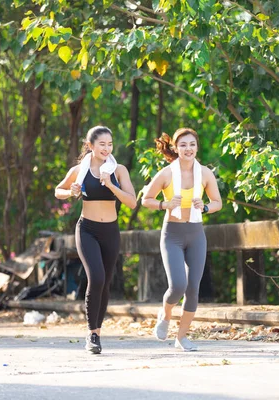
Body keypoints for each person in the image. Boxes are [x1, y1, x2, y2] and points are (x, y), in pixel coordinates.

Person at [55, 126, 137, 354]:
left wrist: (111, 185)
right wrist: (70, 192)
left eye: (110, 144)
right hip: (87, 229)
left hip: (110, 231)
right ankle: (92, 334)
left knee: (106, 281)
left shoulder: (118, 170)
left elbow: (132, 202)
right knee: (97, 277)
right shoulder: (80, 169)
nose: (107, 148)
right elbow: (57, 191)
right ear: (91, 145)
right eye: (102, 144)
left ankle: (97, 332)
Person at [142, 127, 222, 351]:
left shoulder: (205, 173)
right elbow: (146, 199)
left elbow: (217, 202)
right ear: (176, 149)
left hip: (196, 233)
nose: (188, 149)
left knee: (193, 288)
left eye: (192, 145)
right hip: (172, 234)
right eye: (183, 145)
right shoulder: (167, 173)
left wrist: (205, 207)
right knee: (178, 285)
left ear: (197, 147)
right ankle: (165, 314)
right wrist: (164, 204)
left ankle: (181, 337)